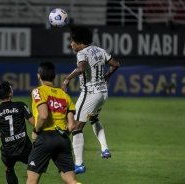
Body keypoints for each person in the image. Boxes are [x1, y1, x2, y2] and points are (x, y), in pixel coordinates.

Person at [61, 25, 120, 174]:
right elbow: (115, 64)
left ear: (79, 42)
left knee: (75, 126)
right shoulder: (100, 50)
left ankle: (79, 164)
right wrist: (107, 75)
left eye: (72, 42)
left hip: (90, 93)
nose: (71, 45)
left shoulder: (82, 53)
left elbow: (81, 68)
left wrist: (67, 79)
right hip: (103, 93)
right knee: (93, 118)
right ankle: (104, 148)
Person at [26, 61, 81, 184]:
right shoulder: (65, 95)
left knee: (32, 181)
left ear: (38, 76)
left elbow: (43, 115)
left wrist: (36, 130)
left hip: (45, 137)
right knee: (71, 180)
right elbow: (71, 126)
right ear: (54, 77)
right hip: (63, 138)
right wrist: (62, 135)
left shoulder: (38, 91)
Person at [0, 81, 35, 184]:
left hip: (8, 151)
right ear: (10, 93)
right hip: (24, 148)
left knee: (8, 168)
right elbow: (34, 122)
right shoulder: (20, 105)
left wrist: (2, 134)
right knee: (33, 170)